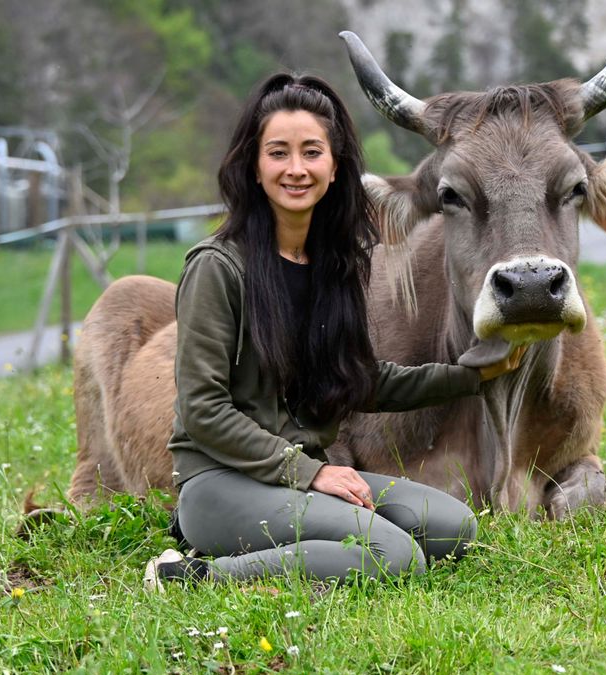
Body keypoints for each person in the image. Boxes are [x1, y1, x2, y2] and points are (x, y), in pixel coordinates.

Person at [143, 73, 524, 590]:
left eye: (311, 152)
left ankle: (296, 543)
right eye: (278, 153)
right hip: (224, 483)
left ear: (334, 165)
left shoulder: (334, 266)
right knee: (394, 556)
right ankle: (191, 575)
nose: (295, 169)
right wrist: (313, 473)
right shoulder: (217, 267)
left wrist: (470, 375)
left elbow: (362, 381)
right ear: (254, 167)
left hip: (299, 482)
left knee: (452, 528)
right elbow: (202, 409)